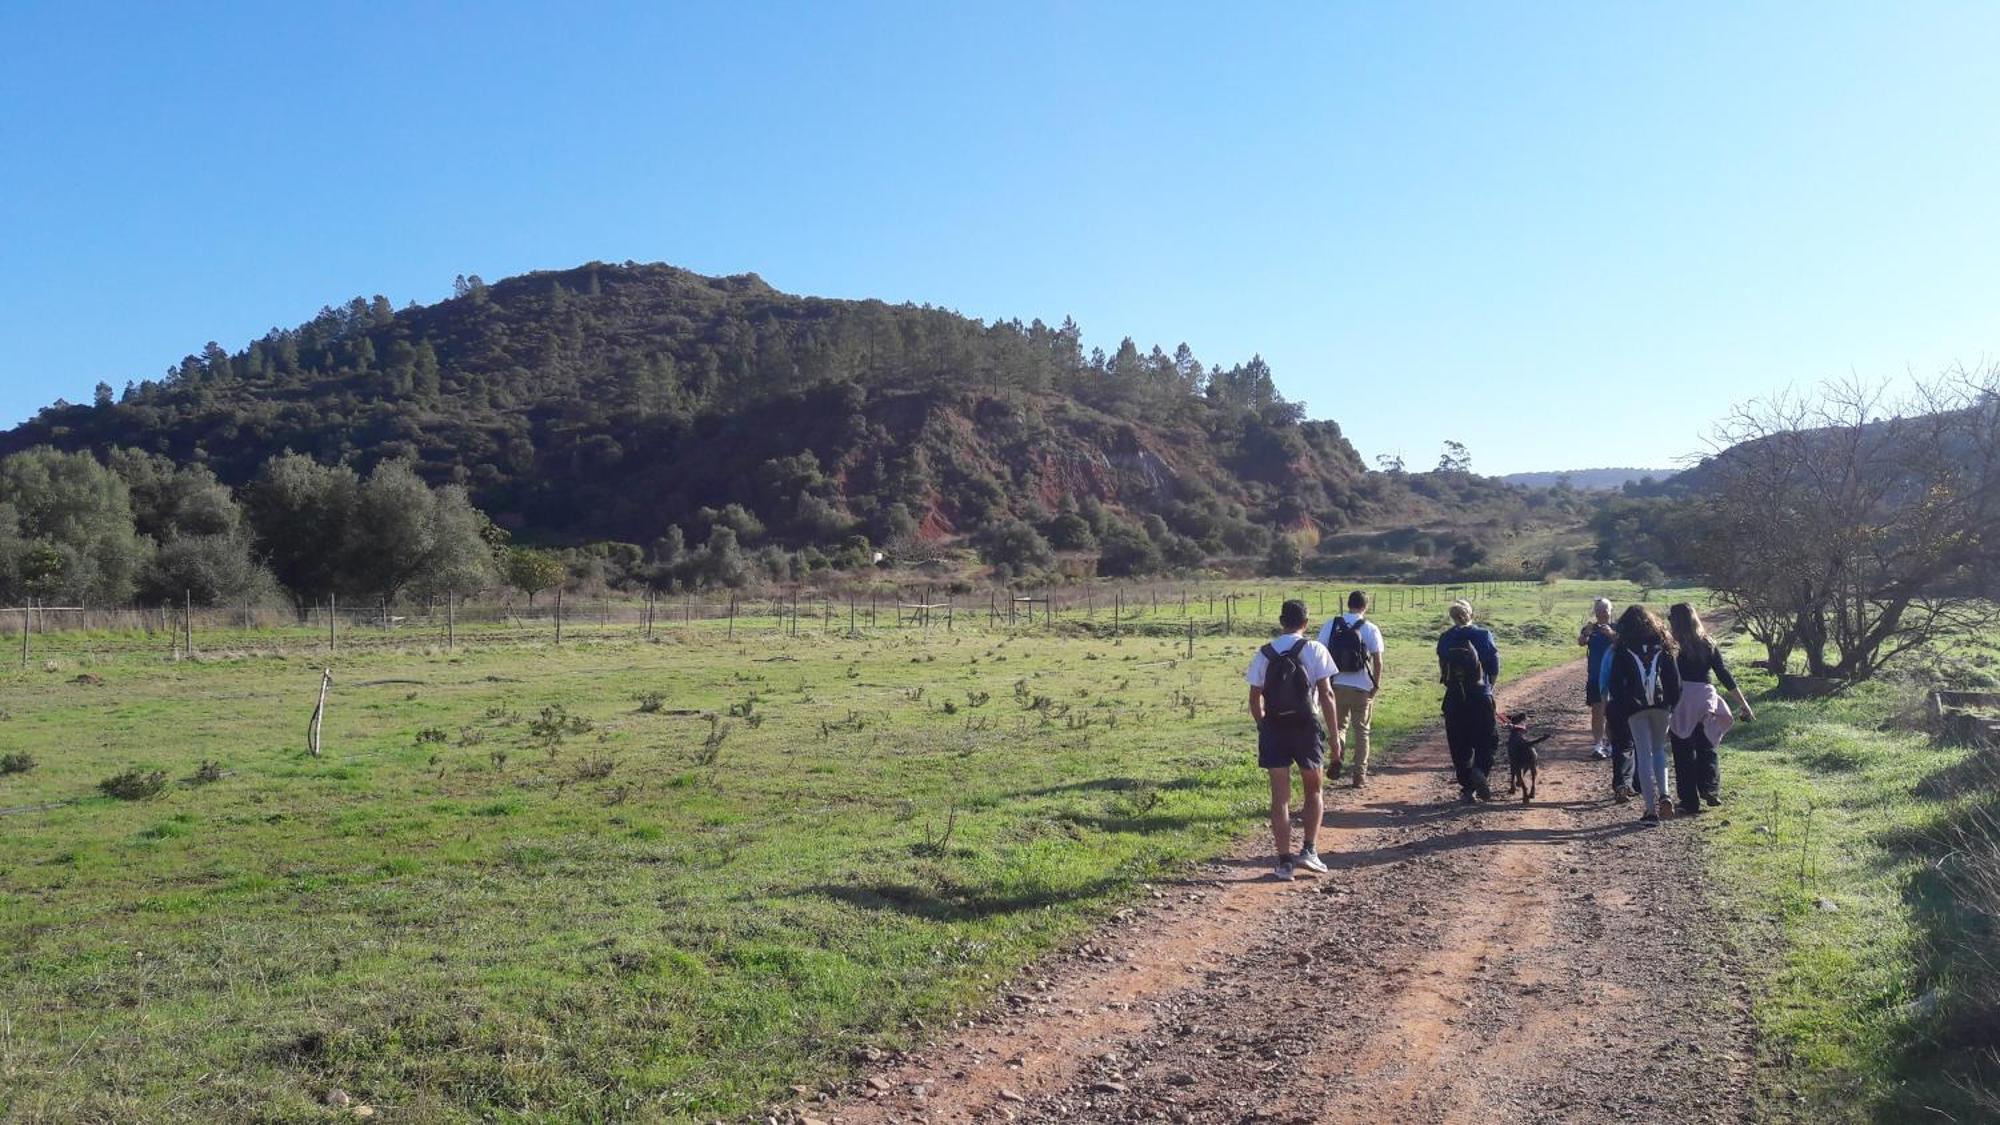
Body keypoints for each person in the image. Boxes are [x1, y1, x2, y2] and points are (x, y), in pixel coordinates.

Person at [1246, 599, 1345, 880]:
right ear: (1306, 621)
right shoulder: (1314, 649)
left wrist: (1263, 726)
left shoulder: (1264, 653)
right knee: (1313, 790)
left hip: (1275, 727)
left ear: (1281, 621)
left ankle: (1284, 861)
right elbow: (1326, 695)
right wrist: (1335, 737)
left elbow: (1254, 699)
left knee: (1280, 798)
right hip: (1306, 727)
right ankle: (1309, 851)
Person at [1667, 603, 1755, 816]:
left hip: (1682, 699)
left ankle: (1689, 801)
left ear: (1675, 622)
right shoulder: (1708, 643)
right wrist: (1743, 704)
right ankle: (1710, 788)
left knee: (1683, 750)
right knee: (1706, 746)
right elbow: (1724, 675)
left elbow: (1667, 677)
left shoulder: (1673, 646)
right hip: (1706, 699)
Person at [1606, 605, 1682, 823]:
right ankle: (1665, 794)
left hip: (1634, 707)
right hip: (1661, 705)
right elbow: (1673, 680)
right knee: (1659, 751)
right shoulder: (1663, 643)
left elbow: (1615, 683)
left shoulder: (1622, 647)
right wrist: (1672, 704)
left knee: (1643, 755)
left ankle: (1650, 811)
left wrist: (1620, 709)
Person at [1318, 589, 1385, 788]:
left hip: (1336, 684)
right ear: (1366, 606)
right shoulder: (1370, 628)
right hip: (1362, 686)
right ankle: (1359, 776)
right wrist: (1376, 685)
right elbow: (1378, 660)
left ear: (1347, 604)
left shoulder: (1331, 624)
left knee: (1338, 728)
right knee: (1362, 731)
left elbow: (1321, 653)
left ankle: (1337, 759)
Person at [1436, 599, 1500, 803]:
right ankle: (1480, 770)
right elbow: (1494, 667)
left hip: (1454, 697)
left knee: (1459, 743)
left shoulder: (1445, 638)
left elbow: (1443, 670)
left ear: (1452, 617)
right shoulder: (1483, 635)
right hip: (1480, 695)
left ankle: (1467, 788)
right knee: (1487, 740)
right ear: (1471, 614)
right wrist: (1489, 688)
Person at [1578, 597, 1618, 759]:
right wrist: (1586, 634)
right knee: (1597, 711)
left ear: (1610, 611)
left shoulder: (1618, 628)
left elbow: (1624, 643)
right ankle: (1597, 745)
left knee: (1612, 712)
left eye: (1605, 611)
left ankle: (1610, 744)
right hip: (1595, 677)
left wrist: (1611, 634)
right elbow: (1581, 642)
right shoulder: (1590, 628)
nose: (1602, 614)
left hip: (1614, 678)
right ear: (1595, 612)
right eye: (1599, 611)